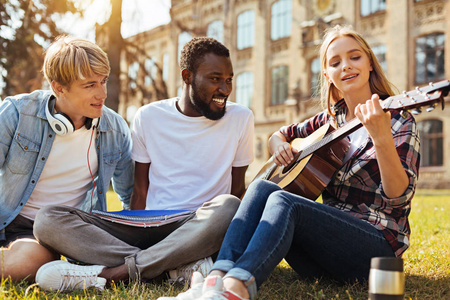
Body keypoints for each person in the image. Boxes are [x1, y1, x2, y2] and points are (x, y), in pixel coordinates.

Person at [162, 25, 420, 300]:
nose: (345, 66)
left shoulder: (398, 119)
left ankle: (235, 288)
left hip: (375, 251)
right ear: (327, 75)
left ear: (370, 62)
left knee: (285, 201)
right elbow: (281, 134)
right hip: (323, 253)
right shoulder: (331, 120)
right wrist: (279, 146)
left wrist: (381, 139)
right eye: (335, 62)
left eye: (354, 57)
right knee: (262, 188)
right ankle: (218, 276)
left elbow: (398, 198)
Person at [33, 37, 254, 292]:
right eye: (215, 79)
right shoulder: (149, 116)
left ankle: (112, 274)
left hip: (196, 227)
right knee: (47, 219)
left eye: (229, 80)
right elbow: (140, 190)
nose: (225, 89)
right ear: (187, 77)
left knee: (229, 206)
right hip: (145, 224)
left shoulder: (241, 118)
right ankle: (172, 268)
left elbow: (238, 190)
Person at [0, 35, 134, 283]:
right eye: (90, 85)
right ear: (58, 87)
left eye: (104, 81)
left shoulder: (115, 128)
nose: (102, 94)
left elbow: (130, 197)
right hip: (15, 224)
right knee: (33, 260)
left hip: (72, 230)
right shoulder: (18, 113)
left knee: (38, 260)